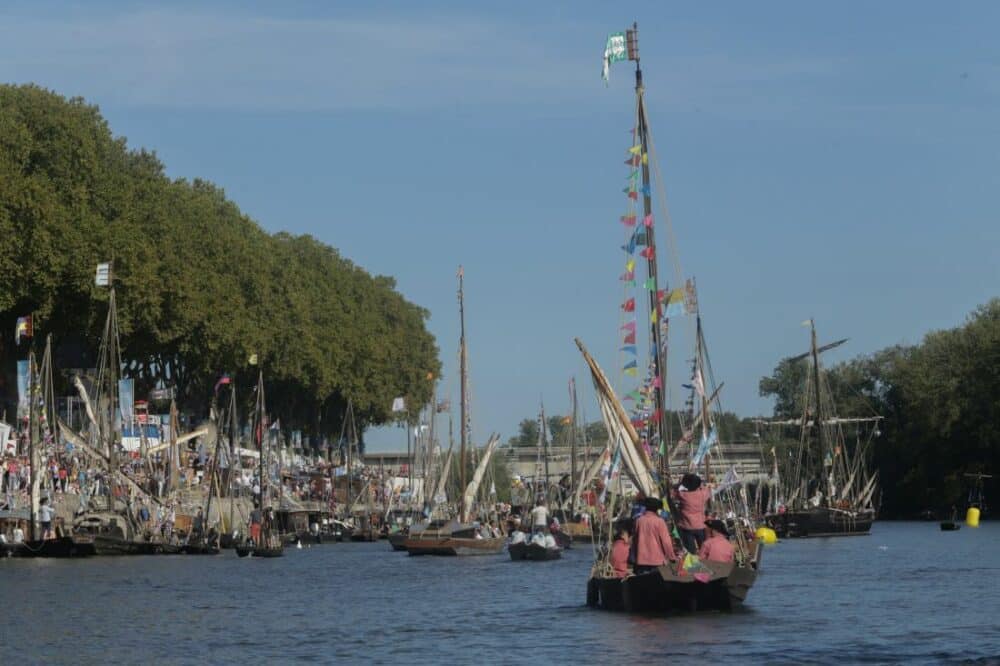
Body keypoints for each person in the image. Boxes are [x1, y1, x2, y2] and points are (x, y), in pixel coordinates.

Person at [632, 497, 676, 573]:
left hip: (641, 560)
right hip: (657, 561)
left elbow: (635, 540)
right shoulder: (659, 521)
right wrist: (671, 557)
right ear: (656, 509)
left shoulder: (639, 521)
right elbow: (666, 542)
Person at [674, 473, 711, 553]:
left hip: (686, 526)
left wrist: (680, 483)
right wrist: (701, 485)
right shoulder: (702, 494)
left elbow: (674, 491)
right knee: (703, 549)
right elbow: (707, 490)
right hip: (700, 525)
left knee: (690, 551)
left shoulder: (683, 495)